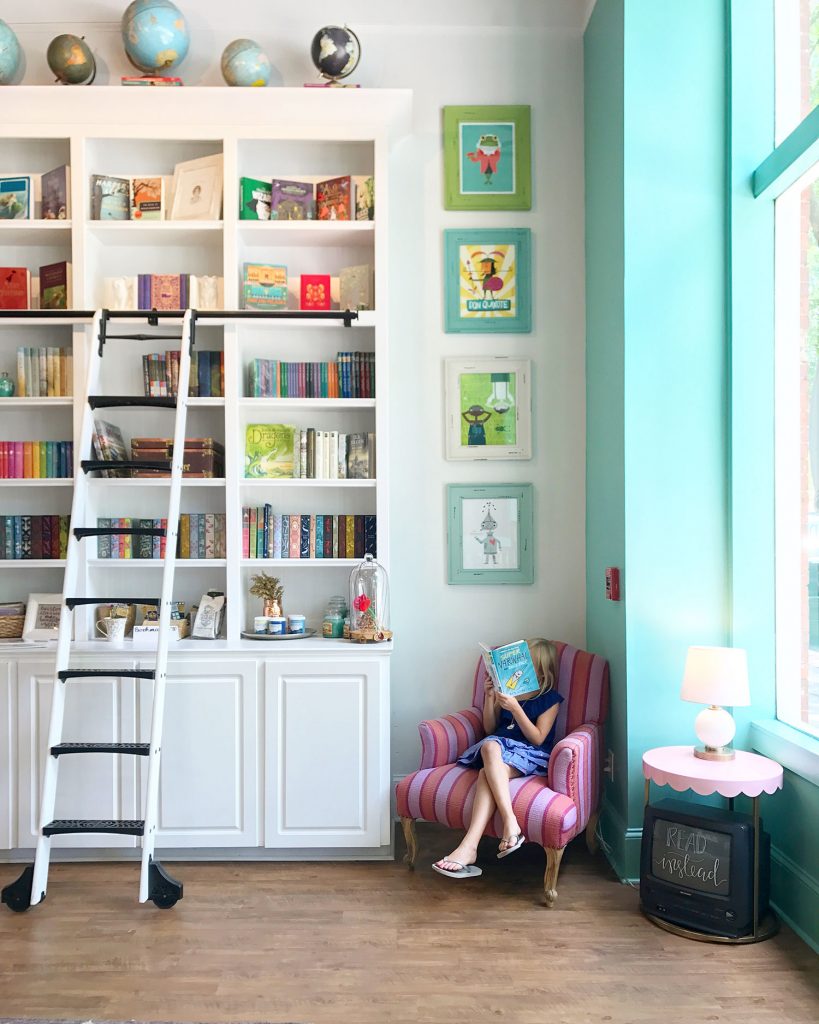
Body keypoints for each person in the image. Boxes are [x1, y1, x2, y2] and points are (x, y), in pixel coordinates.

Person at [433, 638, 563, 879]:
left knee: (490, 750)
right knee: (488, 761)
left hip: (529, 754)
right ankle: (477, 844)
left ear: (541, 672)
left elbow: (537, 738)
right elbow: (490, 728)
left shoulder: (550, 699)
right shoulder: (508, 692)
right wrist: (490, 698)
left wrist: (516, 709)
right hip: (499, 749)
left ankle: (497, 830)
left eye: (526, 665)